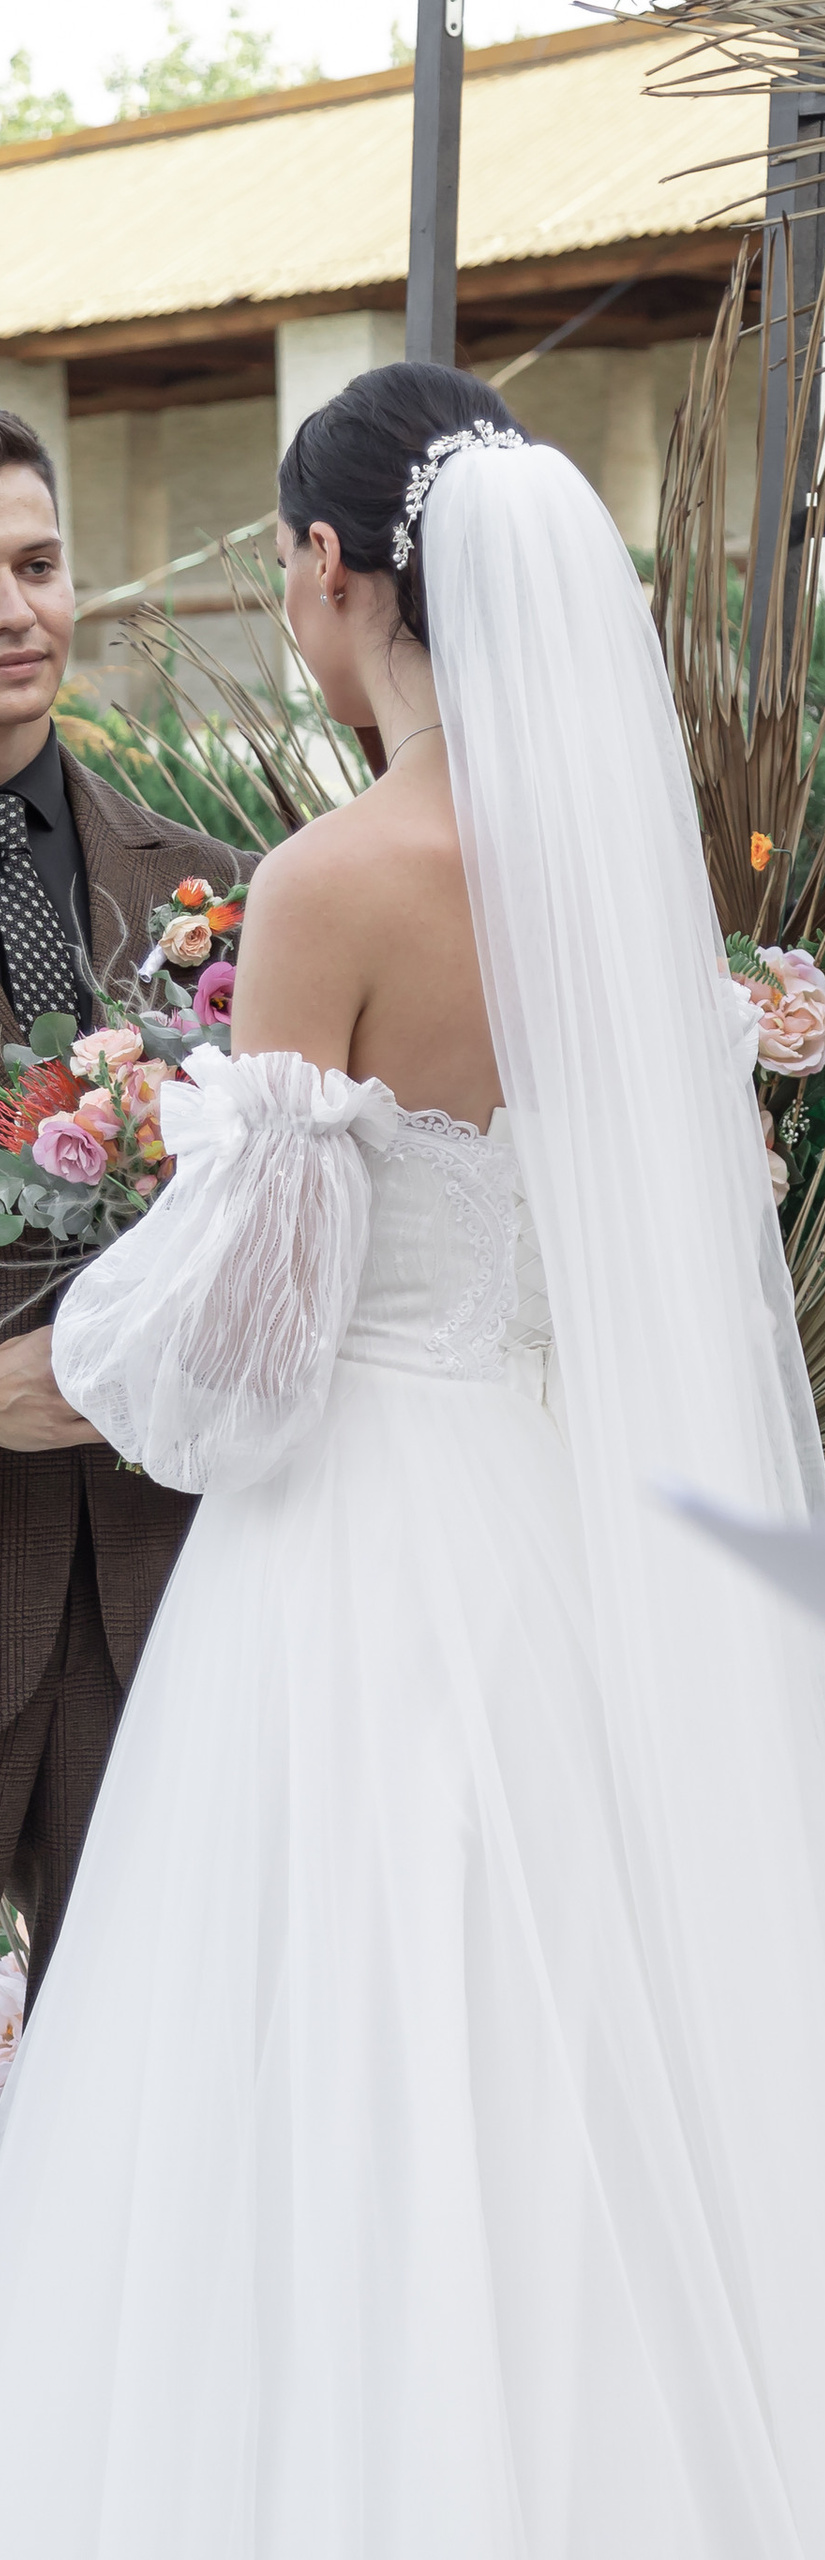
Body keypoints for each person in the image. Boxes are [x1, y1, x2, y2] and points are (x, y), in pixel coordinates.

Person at [0, 365, 825, 2558]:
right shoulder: (622, 884)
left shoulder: (323, 885)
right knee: (576, 2043)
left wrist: (99, 1321)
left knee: (334, 2057)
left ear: (334, 572)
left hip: (348, 1545)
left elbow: (250, 1357)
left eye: (286, 571)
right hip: (547, 1517)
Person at [0, 409, 243, 2001]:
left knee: (144, 2044)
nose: (16, 612)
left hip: (158, 1583)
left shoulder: (209, 890)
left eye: (38, 564)